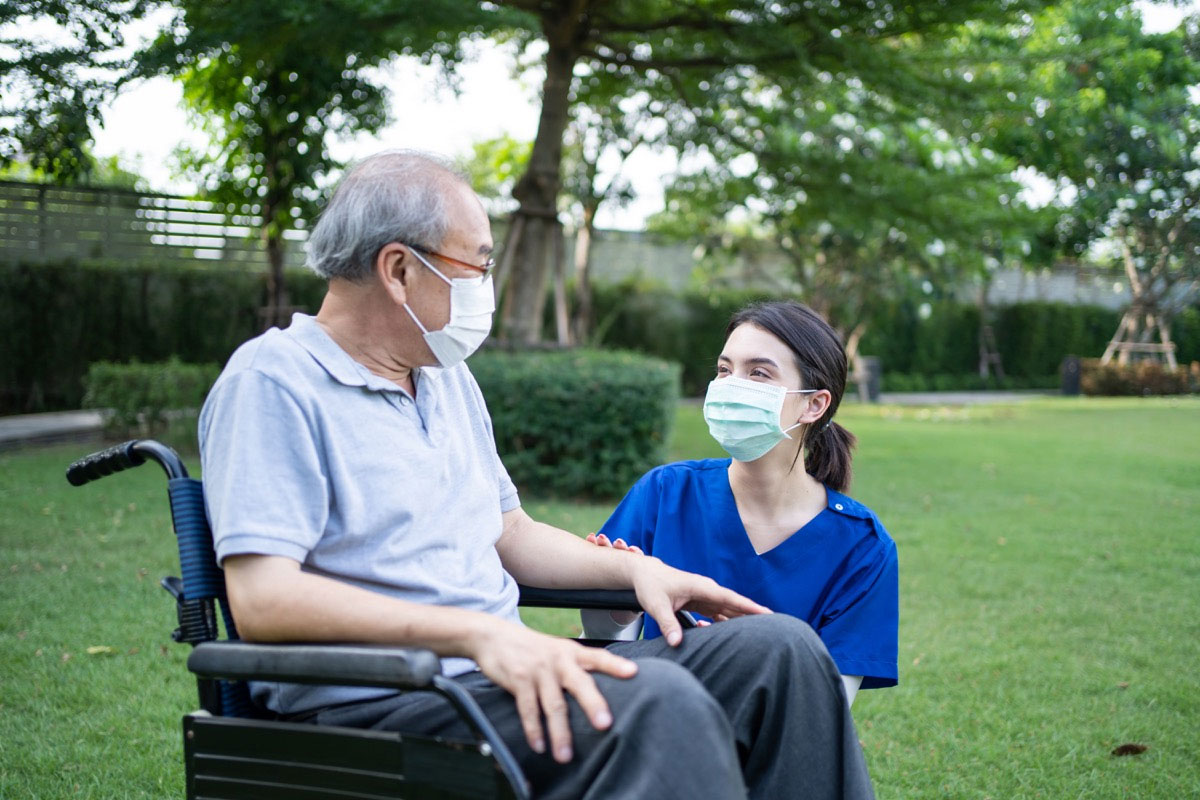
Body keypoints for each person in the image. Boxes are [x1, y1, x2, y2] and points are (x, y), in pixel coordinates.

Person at [199, 150, 876, 800]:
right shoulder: (275, 383)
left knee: (780, 650)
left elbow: (509, 531)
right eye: (477, 265)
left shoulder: (444, 379)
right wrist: (478, 635)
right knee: (657, 703)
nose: (485, 287)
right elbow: (264, 601)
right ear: (399, 270)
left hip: (495, 682)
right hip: (387, 706)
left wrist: (638, 572)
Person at [582, 301, 898, 707]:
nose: (731, 385)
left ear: (814, 404)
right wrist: (618, 603)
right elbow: (608, 650)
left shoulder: (863, 547)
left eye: (758, 373)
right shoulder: (663, 494)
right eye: (724, 370)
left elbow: (825, 711)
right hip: (652, 722)